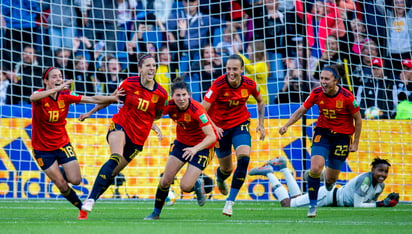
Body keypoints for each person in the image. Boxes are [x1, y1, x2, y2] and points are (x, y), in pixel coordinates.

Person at [79, 54, 168, 214]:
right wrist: (90, 112)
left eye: (154, 65)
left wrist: (152, 125)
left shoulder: (161, 94)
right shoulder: (129, 83)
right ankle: (90, 199)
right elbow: (111, 99)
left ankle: (91, 201)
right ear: (140, 68)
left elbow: (157, 114)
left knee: (113, 173)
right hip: (121, 124)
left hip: (138, 137)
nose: (152, 68)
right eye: (148, 65)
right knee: (116, 156)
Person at [30, 67, 124, 220]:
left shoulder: (66, 95)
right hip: (42, 149)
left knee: (76, 180)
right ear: (45, 81)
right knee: (61, 184)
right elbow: (33, 98)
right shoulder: (39, 95)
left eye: (60, 76)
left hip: (62, 144)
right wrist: (58, 88)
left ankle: (56, 172)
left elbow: (92, 98)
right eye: (54, 77)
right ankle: (81, 208)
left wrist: (111, 98)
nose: (58, 79)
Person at [279, 63, 362, 218]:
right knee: (316, 169)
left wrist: (355, 142)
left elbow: (358, 119)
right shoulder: (316, 93)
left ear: (336, 80)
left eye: (327, 79)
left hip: (342, 138)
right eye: (321, 78)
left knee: (331, 180)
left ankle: (326, 180)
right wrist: (286, 125)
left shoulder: (347, 97)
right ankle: (312, 205)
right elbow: (301, 110)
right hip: (322, 133)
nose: (323, 82)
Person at [202, 54, 266, 217]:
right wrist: (214, 127)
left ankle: (230, 202)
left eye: (235, 69)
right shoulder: (218, 85)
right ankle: (220, 177)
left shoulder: (250, 84)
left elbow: (260, 100)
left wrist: (261, 124)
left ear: (242, 70)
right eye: (228, 69)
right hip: (220, 129)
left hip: (240, 124)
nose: (231, 72)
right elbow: (202, 110)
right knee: (227, 169)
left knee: (244, 159)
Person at [144, 80, 218, 220]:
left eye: (184, 95)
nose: (181, 98)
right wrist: (153, 125)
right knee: (165, 180)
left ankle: (197, 181)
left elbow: (212, 137)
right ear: (172, 97)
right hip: (181, 144)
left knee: (185, 186)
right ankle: (155, 213)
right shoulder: (169, 105)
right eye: (178, 95)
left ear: (189, 95)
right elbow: (150, 113)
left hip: (202, 147)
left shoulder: (197, 110)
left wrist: (194, 149)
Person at [248, 157, 399, 208]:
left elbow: (369, 203)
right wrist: (381, 204)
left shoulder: (380, 185)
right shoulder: (366, 179)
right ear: (372, 170)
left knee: (295, 198)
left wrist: (381, 203)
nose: (383, 174)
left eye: (385, 172)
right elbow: (357, 205)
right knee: (287, 205)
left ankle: (283, 168)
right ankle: (269, 173)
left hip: (328, 195)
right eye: (380, 170)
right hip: (326, 197)